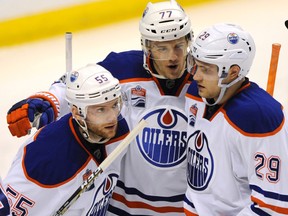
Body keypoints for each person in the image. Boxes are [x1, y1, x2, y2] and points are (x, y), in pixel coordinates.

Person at [6, 0, 194, 215]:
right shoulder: (122, 68)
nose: (173, 57)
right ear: (147, 46)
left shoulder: (205, 79)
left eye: (179, 45)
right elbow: (81, 87)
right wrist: (50, 100)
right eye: (162, 48)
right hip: (122, 207)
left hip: (183, 208)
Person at [184, 23, 288, 215]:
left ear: (233, 72)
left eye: (206, 69)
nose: (196, 76)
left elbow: (272, 207)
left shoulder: (258, 118)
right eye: (195, 64)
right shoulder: (197, 95)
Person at [3, 64, 131, 215]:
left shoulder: (118, 128)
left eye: (114, 105)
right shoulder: (48, 158)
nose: (112, 118)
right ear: (77, 113)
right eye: (100, 110)